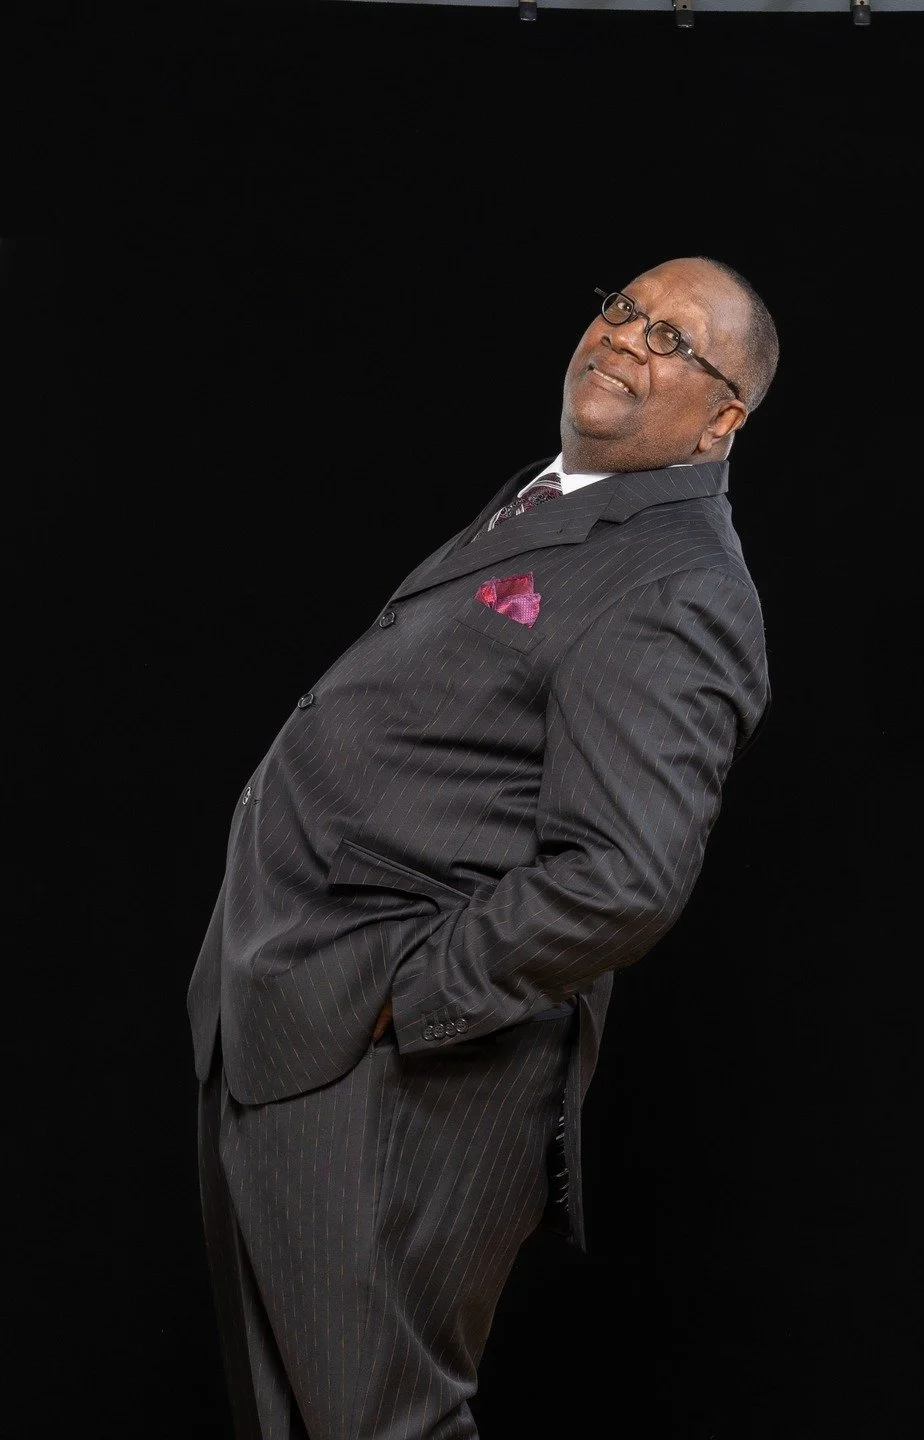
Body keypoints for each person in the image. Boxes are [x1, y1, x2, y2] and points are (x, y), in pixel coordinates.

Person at [185, 255, 779, 1438]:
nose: (628, 337)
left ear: (723, 421)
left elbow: (626, 879)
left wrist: (397, 997)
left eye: (675, 340)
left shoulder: (679, 584)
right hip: (283, 1025)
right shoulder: (554, 499)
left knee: (377, 1424)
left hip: (392, 1075)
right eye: (625, 309)